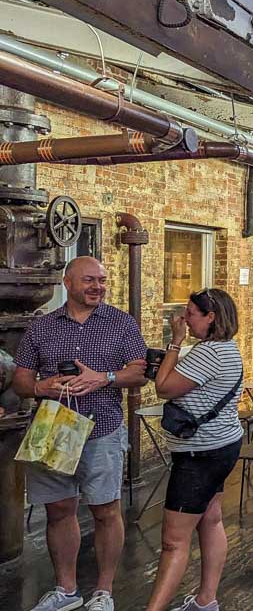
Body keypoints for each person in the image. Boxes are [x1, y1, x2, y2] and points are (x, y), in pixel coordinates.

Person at [14, 256, 148, 611]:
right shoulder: (41, 327)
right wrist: (43, 387)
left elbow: (139, 372)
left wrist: (103, 377)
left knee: (106, 511)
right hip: (53, 429)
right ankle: (66, 589)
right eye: (89, 280)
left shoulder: (122, 323)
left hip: (101, 428)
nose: (97, 287)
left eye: (102, 281)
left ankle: (103, 592)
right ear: (67, 283)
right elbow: (21, 379)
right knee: (58, 510)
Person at [146, 289, 245, 611]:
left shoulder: (209, 353)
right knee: (211, 520)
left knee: (173, 541)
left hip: (198, 453)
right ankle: (205, 601)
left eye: (189, 314)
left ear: (210, 317)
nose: (184, 320)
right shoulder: (228, 349)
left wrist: (174, 343)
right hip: (224, 444)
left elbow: (164, 388)